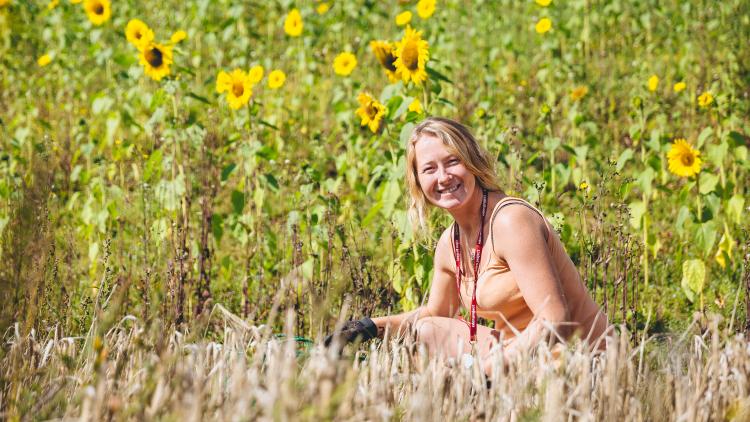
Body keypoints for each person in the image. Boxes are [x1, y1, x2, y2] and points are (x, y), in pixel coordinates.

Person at [326, 117, 611, 372]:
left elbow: (554, 319)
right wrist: (370, 327)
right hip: (518, 355)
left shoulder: (511, 221)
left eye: (452, 162)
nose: (443, 177)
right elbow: (434, 315)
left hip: (578, 358)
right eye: (429, 169)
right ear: (418, 182)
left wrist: (484, 372)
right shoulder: (450, 243)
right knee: (424, 332)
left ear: (473, 162)